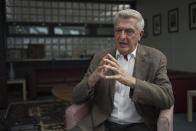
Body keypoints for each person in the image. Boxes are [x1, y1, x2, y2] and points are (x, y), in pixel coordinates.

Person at [70, 9, 174, 131]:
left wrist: (133, 82)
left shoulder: (156, 58)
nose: (122, 36)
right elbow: (76, 97)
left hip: (139, 124)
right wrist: (92, 79)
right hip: (103, 122)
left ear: (140, 35)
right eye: (118, 30)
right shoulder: (101, 57)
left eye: (129, 31)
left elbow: (167, 98)